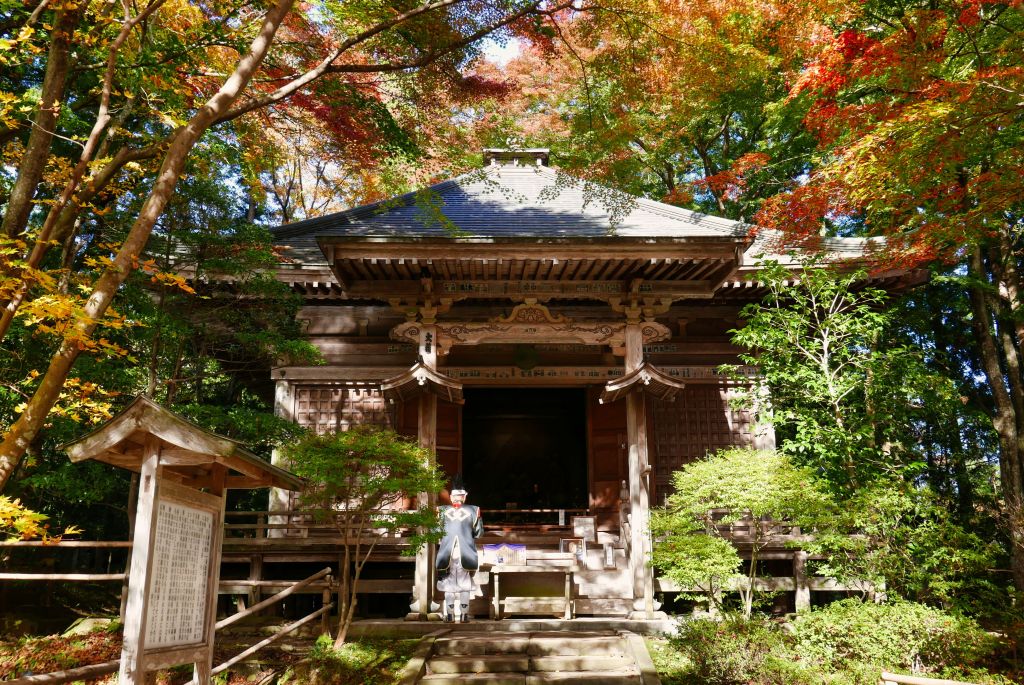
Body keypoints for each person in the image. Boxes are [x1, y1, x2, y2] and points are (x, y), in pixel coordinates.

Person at [435, 475, 484, 622]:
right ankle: (463, 615)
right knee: (464, 583)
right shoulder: (474, 510)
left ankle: (449, 615)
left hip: (446, 552)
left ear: (451, 497)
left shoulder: (441, 511)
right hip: (466, 551)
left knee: (449, 582)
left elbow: (436, 532)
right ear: (464, 497)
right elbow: (479, 533)